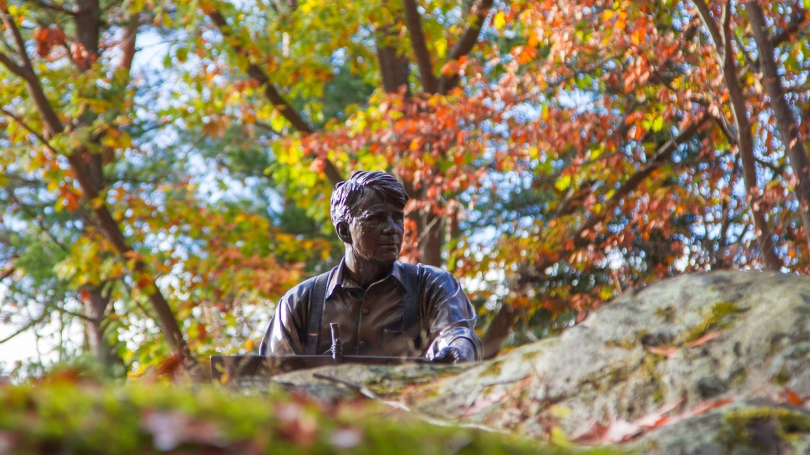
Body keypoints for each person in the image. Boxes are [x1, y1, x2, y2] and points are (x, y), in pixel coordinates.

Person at [259, 171, 482, 363]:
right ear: (344, 231)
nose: (393, 229)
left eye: (397, 218)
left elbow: (456, 332)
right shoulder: (300, 302)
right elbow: (271, 379)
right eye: (376, 218)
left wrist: (457, 350)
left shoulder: (433, 285)